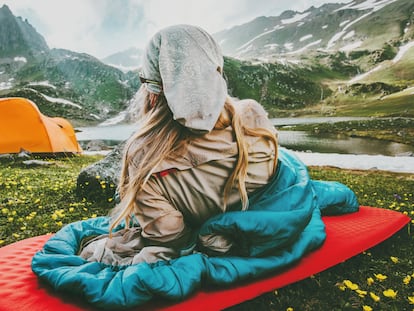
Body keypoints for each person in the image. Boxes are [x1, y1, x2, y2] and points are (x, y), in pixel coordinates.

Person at [79, 24, 279, 264]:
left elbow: (170, 237)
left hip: (200, 242)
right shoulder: (253, 114)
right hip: (264, 230)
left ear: (155, 86)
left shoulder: (143, 156)